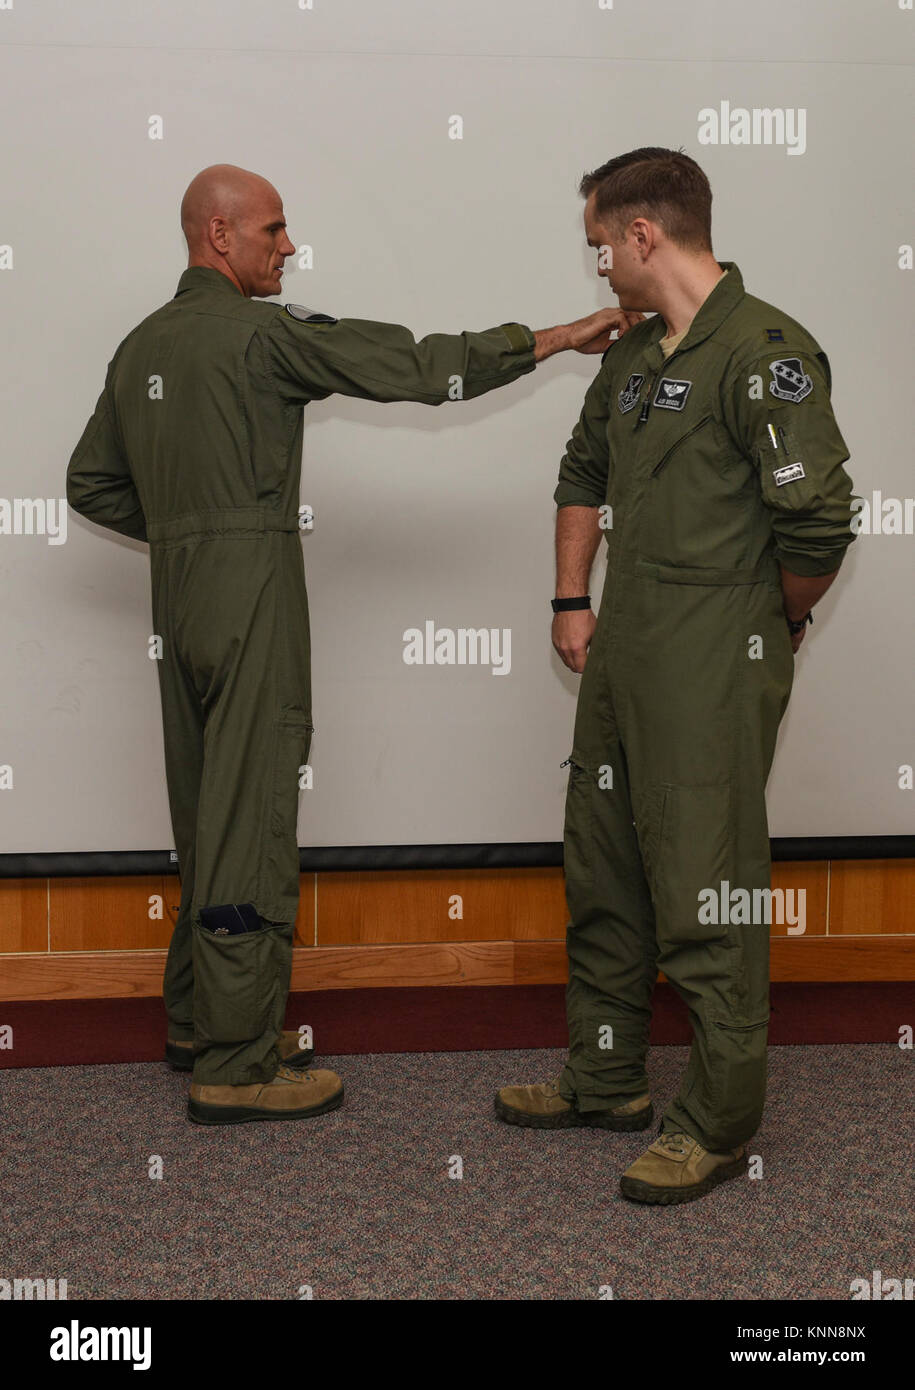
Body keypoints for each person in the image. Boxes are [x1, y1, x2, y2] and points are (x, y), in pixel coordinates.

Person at [66, 163, 640, 1126]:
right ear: (219, 236)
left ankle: (205, 1020)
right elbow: (420, 368)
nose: (288, 248)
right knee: (248, 816)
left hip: (181, 597)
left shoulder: (141, 348)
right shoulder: (259, 336)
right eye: (274, 232)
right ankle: (238, 1067)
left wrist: (184, 527)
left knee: (208, 810)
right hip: (249, 592)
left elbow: (90, 482)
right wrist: (555, 337)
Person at [495, 147, 857, 1205]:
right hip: (624, 653)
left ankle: (720, 1121)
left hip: (712, 650)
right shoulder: (637, 354)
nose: (598, 264)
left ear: (644, 234)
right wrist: (572, 600)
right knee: (605, 865)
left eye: (602, 243)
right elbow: (581, 472)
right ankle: (607, 1075)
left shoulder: (767, 351)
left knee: (708, 883)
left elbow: (820, 521)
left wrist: (770, 620)